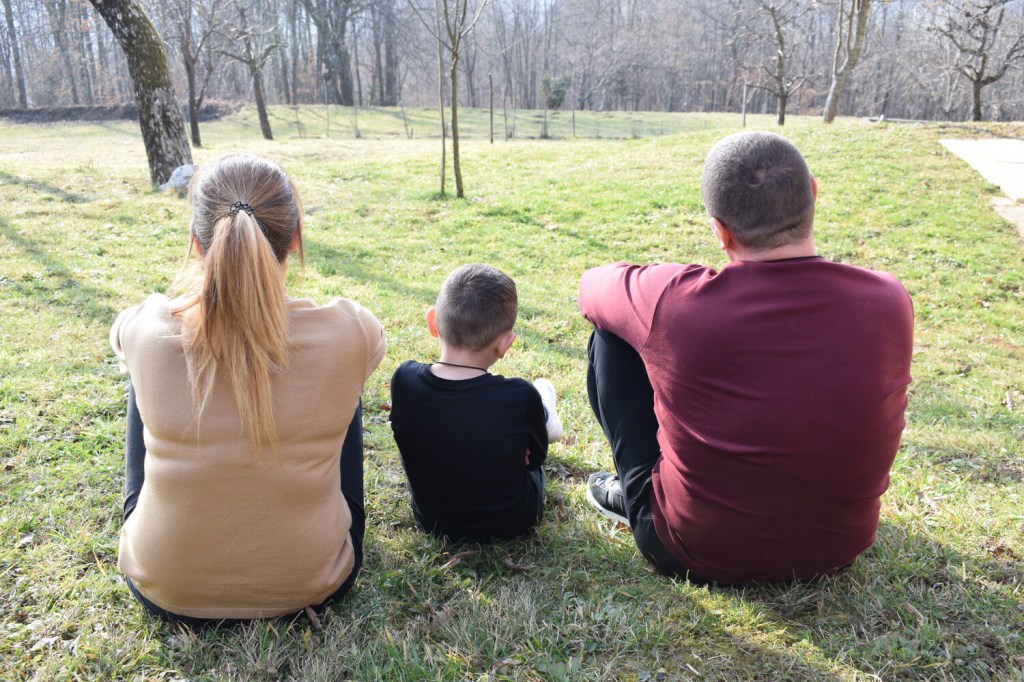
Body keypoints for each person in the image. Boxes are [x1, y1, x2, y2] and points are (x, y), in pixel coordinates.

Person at [579, 131, 913, 585]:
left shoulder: (676, 301)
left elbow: (590, 288)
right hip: (840, 547)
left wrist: (664, 282)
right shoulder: (890, 298)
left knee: (609, 335)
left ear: (719, 230)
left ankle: (638, 495)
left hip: (691, 552)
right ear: (813, 192)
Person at [110, 153, 386, 624]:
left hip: (165, 581)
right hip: (314, 580)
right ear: (295, 239)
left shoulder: (146, 326)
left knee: (145, 376)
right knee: (344, 378)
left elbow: (125, 338)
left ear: (197, 243)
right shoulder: (352, 330)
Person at [389, 263, 563, 541]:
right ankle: (545, 415)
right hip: (515, 521)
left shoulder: (404, 380)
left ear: (432, 322)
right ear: (505, 344)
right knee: (535, 408)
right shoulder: (519, 395)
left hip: (432, 520)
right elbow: (535, 461)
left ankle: (541, 416)